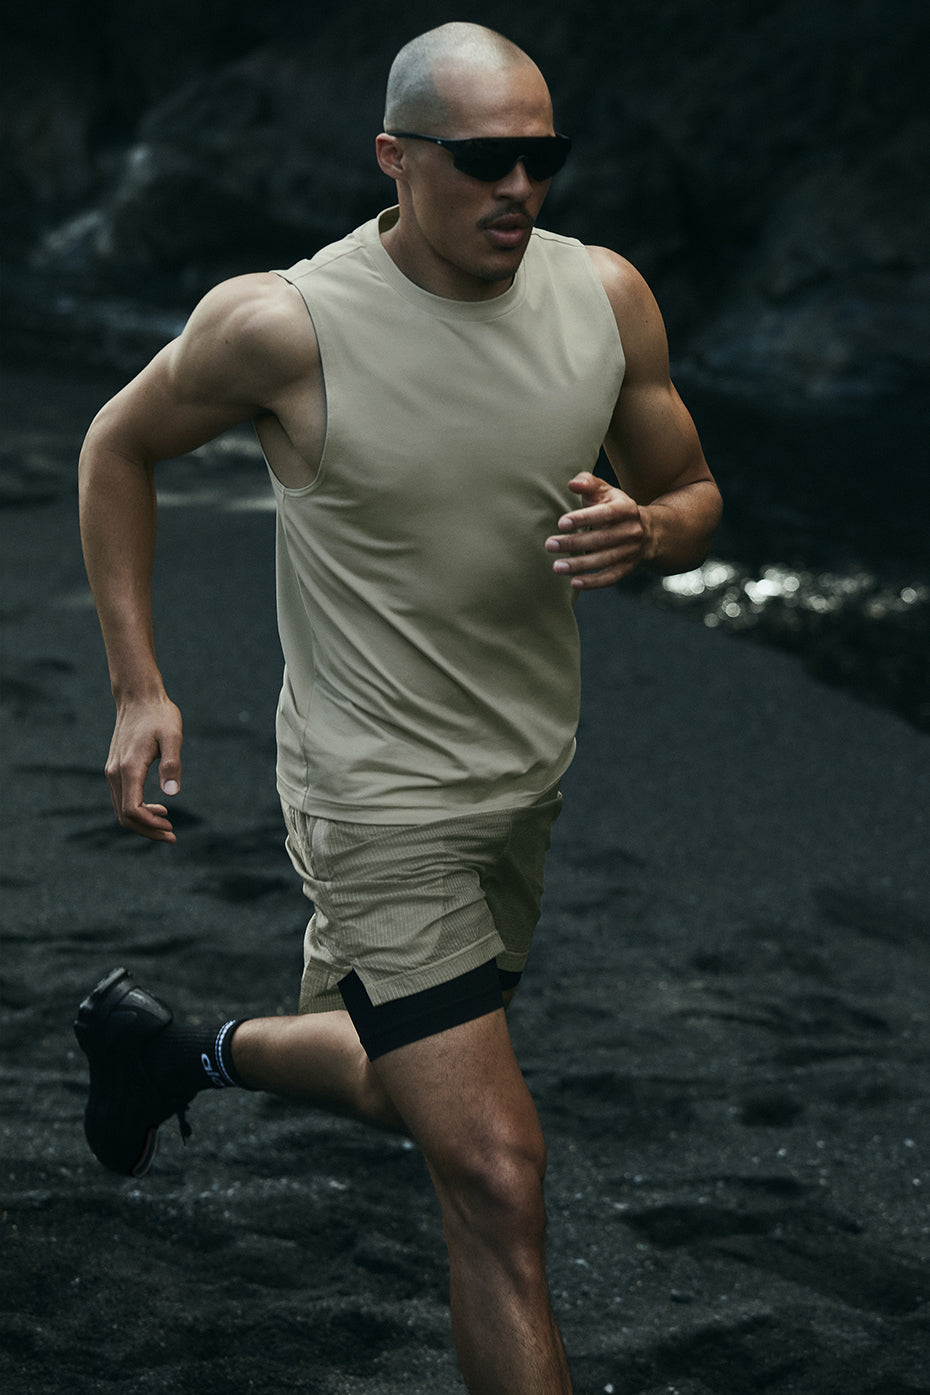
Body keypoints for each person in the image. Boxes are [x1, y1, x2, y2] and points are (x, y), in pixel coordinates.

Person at [73, 21, 721, 1394]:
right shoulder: (283, 326)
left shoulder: (605, 297)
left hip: (524, 775)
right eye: (482, 158)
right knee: (493, 1171)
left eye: (541, 156)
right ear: (394, 157)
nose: (518, 186)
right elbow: (117, 444)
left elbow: (694, 492)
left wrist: (651, 531)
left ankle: (174, 1054)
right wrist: (138, 685)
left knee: (399, 1081)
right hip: (373, 799)